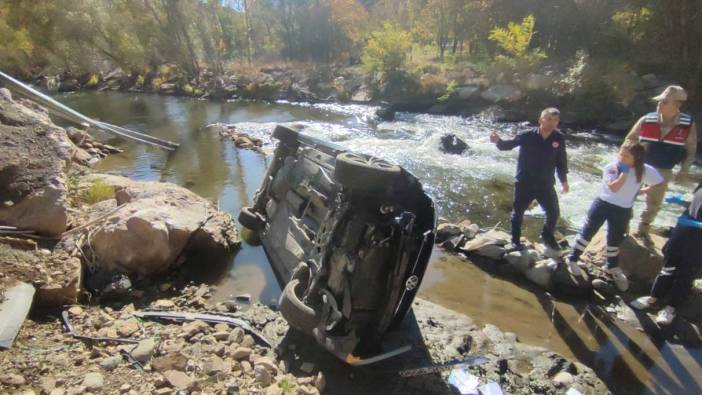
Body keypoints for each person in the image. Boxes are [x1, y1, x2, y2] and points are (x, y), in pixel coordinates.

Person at [566, 142, 664, 291]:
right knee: (588, 231)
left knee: (615, 238)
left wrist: (642, 190)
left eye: (626, 156)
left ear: (636, 157)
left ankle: (611, 266)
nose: (621, 158)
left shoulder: (644, 170)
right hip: (603, 204)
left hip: (623, 209)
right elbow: (615, 188)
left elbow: (660, 182)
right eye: (620, 154)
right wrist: (624, 171)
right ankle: (572, 258)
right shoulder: (612, 167)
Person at [490, 107, 569, 251]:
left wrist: (564, 181)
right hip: (525, 181)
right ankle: (515, 240)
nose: (552, 123)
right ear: (541, 120)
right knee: (518, 212)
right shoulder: (527, 135)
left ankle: (547, 236)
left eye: (555, 120)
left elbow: (561, 161)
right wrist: (497, 141)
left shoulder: (558, 138)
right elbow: (507, 146)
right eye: (549, 119)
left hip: (545, 183)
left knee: (554, 212)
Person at [624, 85, 697, 239]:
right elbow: (630, 139)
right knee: (627, 195)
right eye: (659, 101)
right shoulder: (646, 119)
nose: (659, 104)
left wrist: (684, 170)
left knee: (654, 203)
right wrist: (625, 160)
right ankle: (624, 226)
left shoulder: (687, 124)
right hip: (639, 165)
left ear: (677, 105)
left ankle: (643, 229)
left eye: (664, 102)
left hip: (664, 168)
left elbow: (691, 149)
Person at [630, 182, 702, 325]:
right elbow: (695, 201)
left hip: (699, 237)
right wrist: (682, 200)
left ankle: (671, 308)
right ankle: (653, 297)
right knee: (668, 265)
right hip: (683, 227)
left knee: (686, 272)